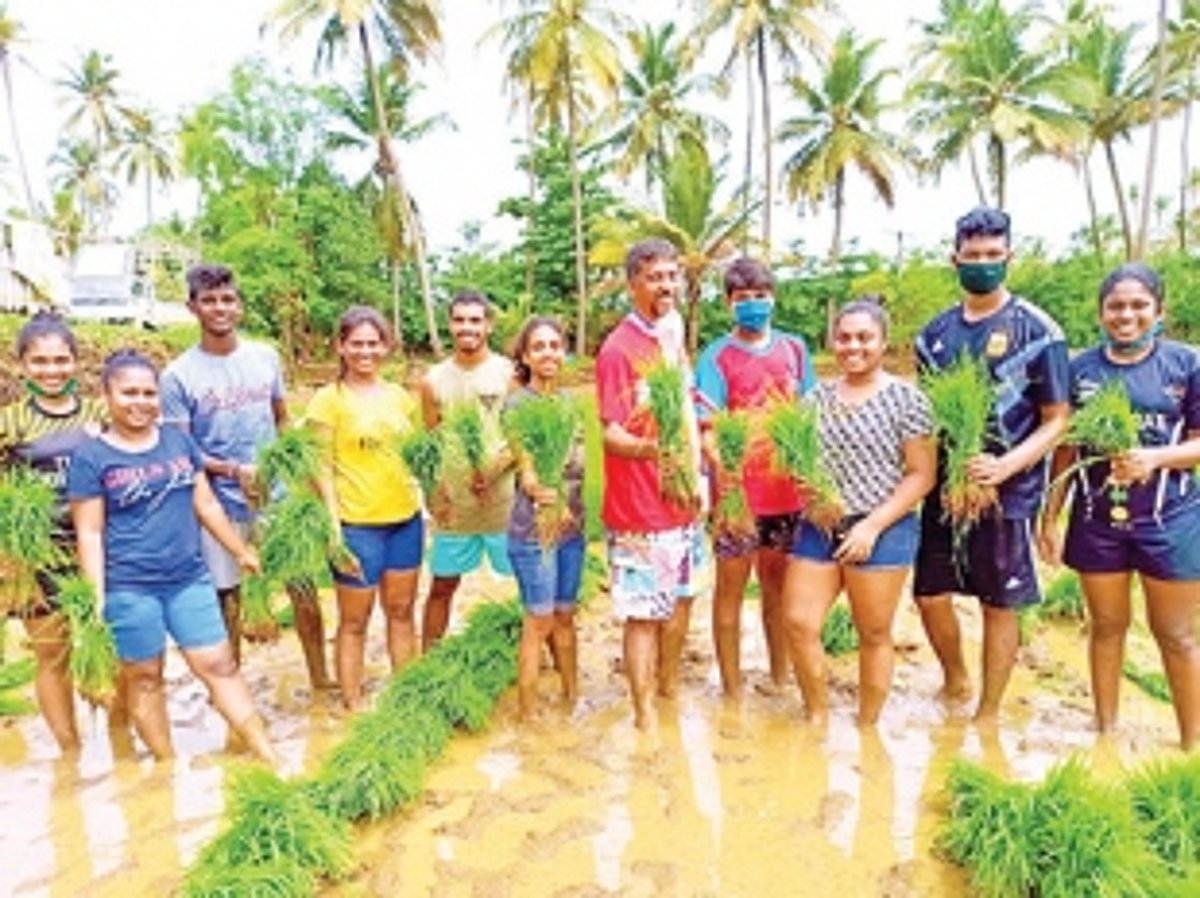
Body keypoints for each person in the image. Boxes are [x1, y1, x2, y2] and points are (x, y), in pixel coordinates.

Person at [68, 350, 277, 763]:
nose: (140, 402)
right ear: (106, 394)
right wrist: (94, 602)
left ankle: (269, 757)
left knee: (219, 666)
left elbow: (207, 505)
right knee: (146, 678)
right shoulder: (91, 458)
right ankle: (167, 769)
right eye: (129, 392)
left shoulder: (178, 442)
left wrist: (241, 551)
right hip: (130, 588)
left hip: (188, 578)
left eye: (149, 392)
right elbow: (89, 533)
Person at [913, 206, 1070, 721]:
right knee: (931, 594)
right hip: (947, 486)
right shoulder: (933, 336)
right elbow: (926, 414)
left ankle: (988, 711)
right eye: (972, 255)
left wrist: (1007, 468)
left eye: (992, 255)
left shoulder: (1039, 331)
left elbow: (1056, 420)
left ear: (1009, 258)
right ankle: (955, 678)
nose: (982, 263)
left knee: (999, 601)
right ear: (954, 258)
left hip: (1010, 490)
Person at [1038, 263, 1200, 750]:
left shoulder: (1186, 365)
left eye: (1138, 306)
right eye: (1115, 306)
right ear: (1101, 312)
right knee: (1106, 626)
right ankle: (1105, 732)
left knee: (1175, 633)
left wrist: (1156, 457)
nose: (1126, 315)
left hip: (1169, 521)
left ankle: (1192, 742)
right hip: (1097, 521)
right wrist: (1050, 518)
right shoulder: (1080, 369)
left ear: (1158, 311)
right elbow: (1064, 450)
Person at [160, 263, 331, 689]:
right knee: (227, 600)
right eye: (209, 300)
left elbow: (282, 420)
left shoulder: (265, 357)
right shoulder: (178, 376)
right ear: (192, 307)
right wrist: (233, 470)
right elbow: (182, 451)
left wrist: (296, 471)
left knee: (303, 588)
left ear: (239, 305)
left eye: (228, 299)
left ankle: (321, 681)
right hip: (220, 505)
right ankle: (233, 693)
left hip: (277, 497)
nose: (220, 308)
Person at [783, 299, 936, 725]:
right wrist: (811, 491)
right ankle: (817, 716)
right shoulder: (813, 400)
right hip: (821, 524)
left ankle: (867, 726)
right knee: (798, 621)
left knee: (873, 633)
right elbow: (801, 463)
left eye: (864, 337)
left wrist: (870, 525)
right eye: (845, 337)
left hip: (882, 527)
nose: (853, 346)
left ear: (883, 342)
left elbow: (921, 475)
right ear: (833, 342)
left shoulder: (907, 400)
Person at [695, 257, 816, 699]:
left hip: (787, 498)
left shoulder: (795, 350)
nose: (753, 305)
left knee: (778, 590)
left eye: (760, 297)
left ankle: (780, 678)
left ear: (773, 298)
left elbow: (809, 418)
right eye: (743, 298)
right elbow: (707, 429)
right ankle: (731, 689)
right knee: (729, 589)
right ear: (728, 303)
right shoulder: (715, 357)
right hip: (737, 498)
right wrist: (727, 482)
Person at [596, 238, 702, 728]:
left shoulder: (673, 332)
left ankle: (669, 691)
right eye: (656, 277)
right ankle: (643, 715)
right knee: (643, 613)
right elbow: (612, 434)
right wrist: (656, 452)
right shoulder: (618, 349)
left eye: (673, 276)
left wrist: (697, 466)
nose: (667, 285)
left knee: (681, 600)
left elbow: (683, 402)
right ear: (634, 283)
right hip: (639, 506)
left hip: (683, 500)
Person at [307, 306, 424, 711]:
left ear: (386, 347)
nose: (365, 352)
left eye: (374, 343)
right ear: (341, 347)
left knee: (402, 611)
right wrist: (334, 528)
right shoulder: (328, 400)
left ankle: (407, 698)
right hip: (356, 525)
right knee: (354, 621)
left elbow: (412, 456)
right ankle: (353, 704)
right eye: (356, 344)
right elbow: (318, 467)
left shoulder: (399, 397)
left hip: (405, 520)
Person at [0, 312, 105, 753]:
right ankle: (71, 754)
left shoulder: (100, 413)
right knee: (52, 656)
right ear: (21, 365)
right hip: (37, 558)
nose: (51, 371)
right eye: (39, 362)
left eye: (61, 360)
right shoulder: (10, 423)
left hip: (101, 550)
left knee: (110, 649)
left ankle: (119, 745)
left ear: (76, 362)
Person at [419, 291, 515, 648]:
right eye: (459, 320)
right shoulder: (433, 380)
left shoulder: (508, 373)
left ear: (488, 325)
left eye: (475, 320)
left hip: (504, 503)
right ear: (450, 325)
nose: (467, 328)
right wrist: (434, 496)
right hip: (456, 506)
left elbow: (522, 436)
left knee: (524, 582)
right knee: (443, 584)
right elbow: (431, 443)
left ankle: (535, 657)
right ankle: (428, 659)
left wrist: (492, 470)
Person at [504, 316, 585, 719]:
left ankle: (573, 699)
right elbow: (527, 466)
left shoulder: (567, 403)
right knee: (539, 619)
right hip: (534, 530)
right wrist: (538, 488)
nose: (548, 353)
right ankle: (528, 715)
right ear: (524, 356)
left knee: (566, 615)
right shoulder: (518, 403)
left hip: (572, 527)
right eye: (539, 347)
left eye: (555, 345)